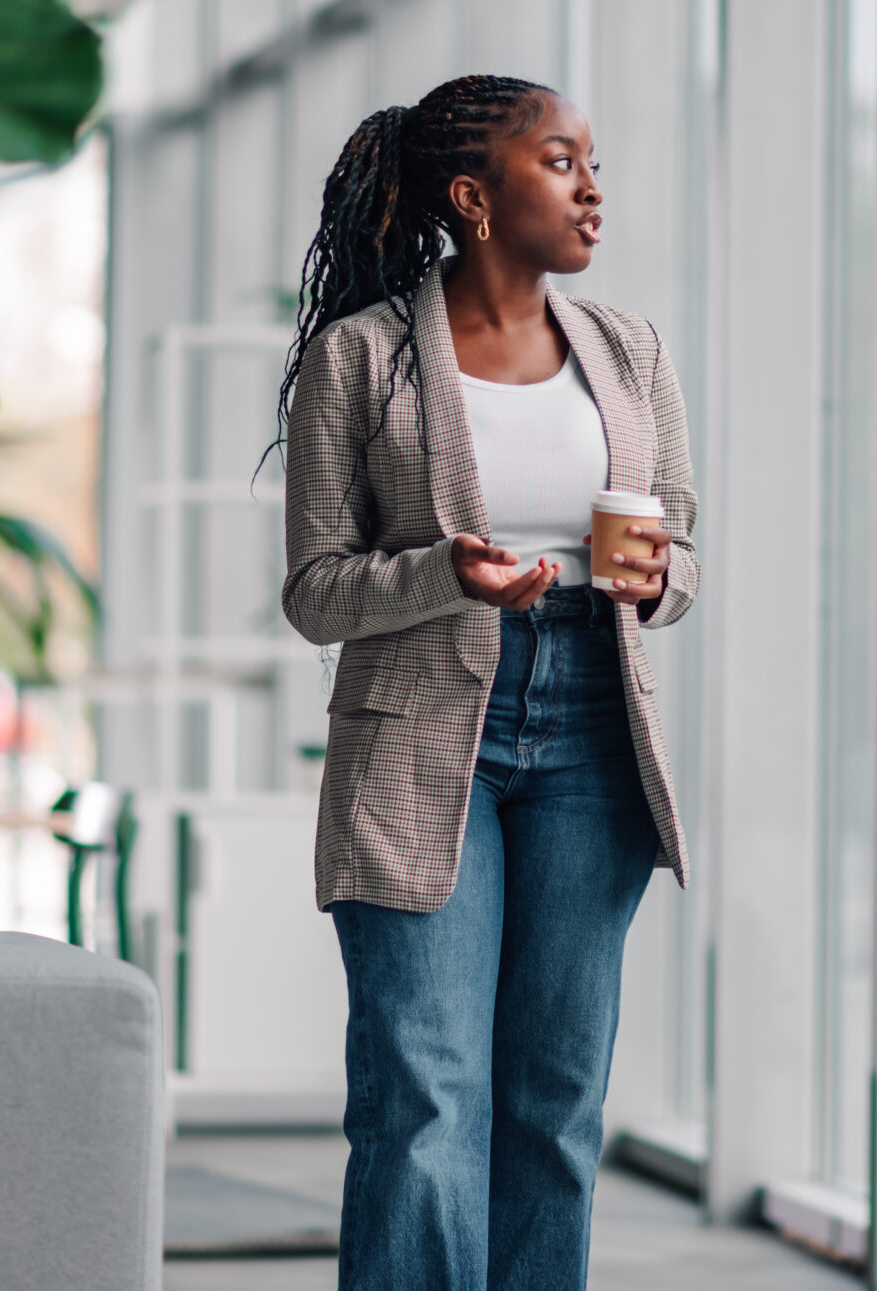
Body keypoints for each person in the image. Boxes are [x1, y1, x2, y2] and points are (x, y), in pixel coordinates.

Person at [275, 73, 699, 1291]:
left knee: (555, 1104)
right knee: (422, 1102)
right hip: (419, 732)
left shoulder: (631, 352)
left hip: (592, 727)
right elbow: (314, 589)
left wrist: (651, 582)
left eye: (591, 161)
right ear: (473, 195)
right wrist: (444, 577)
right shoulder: (358, 362)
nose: (592, 188)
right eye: (561, 162)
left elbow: (684, 555)